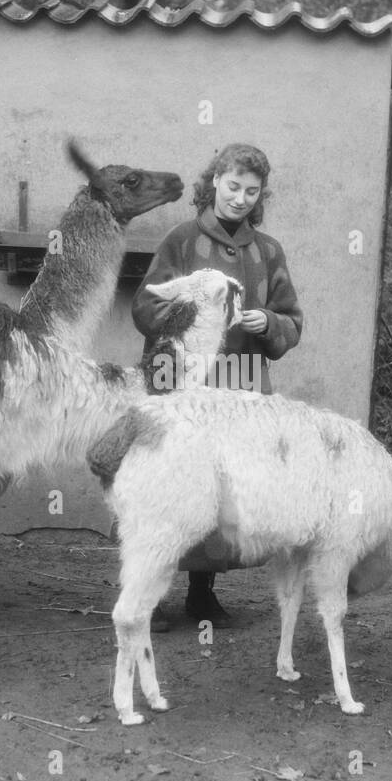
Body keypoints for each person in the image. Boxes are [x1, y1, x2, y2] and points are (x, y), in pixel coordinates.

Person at [131, 143, 303, 632]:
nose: (240, 198)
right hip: (181, 385)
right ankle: (153, 595)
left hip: (241, 386)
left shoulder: (269, 252)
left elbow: (292, 322)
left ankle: (202, 596)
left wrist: (266, 320)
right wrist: (196, 312)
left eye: (251, 191)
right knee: (171, 483)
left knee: (225, 486)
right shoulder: (181, 240)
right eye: (232, 187)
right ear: (213, 183)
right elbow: (145, 308)